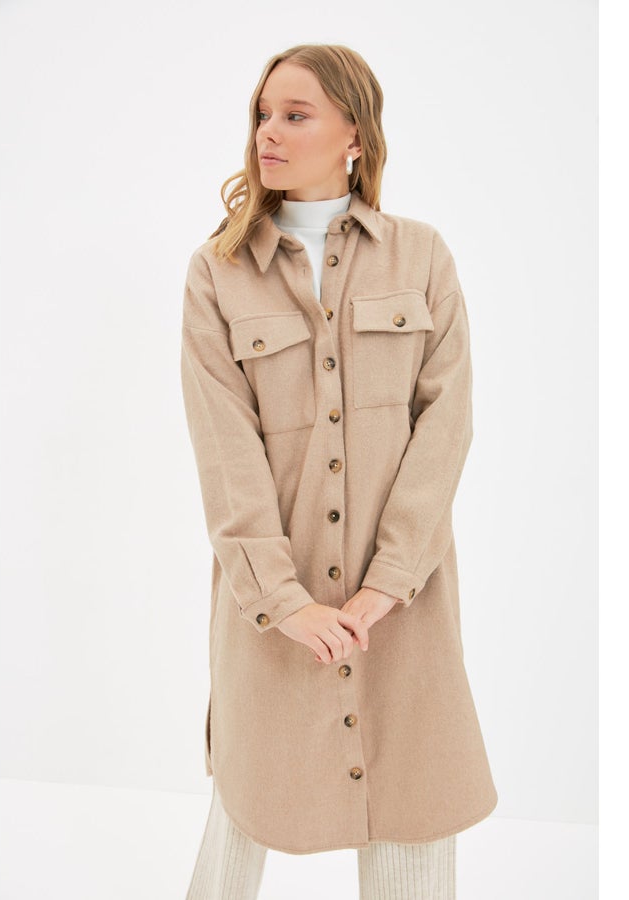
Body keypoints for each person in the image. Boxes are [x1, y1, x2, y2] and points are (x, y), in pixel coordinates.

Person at [180, 43, 498, 900]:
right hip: (269, 603)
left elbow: (447, 427)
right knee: (245, 803)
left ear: (355, 134)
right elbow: (224, 451)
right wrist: (282, 601)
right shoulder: (217, 273)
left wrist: (390, 580)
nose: (267, 133)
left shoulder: (421, 257)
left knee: (414, 807)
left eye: (295, 115)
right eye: (262, 114)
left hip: (405, 604)